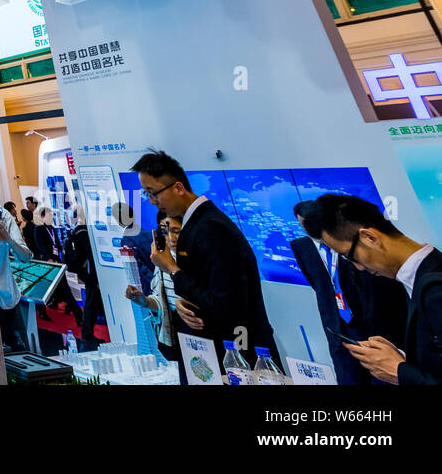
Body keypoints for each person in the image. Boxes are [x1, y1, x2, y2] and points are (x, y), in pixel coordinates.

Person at [132, 150, 279, 380]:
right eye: (147, 194)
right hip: (212, 350)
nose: (152, 201)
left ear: (178, 188)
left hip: (235, 352)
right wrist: (184, 304)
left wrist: (172, 269)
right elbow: (206, 287)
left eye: (154, 193)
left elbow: (227, 304)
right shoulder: (197, 225)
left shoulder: (211, 228)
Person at [302, 194, 442, 385]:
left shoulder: (435, 288)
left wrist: (400, 372)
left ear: (370, 237)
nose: (359, 268)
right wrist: (399, 358)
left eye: (349, 256)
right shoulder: (421, 275)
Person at [291, 200, 406, 385]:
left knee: (380, 377)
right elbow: (318, 283)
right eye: (305, 226)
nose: (311, 230)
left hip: (369, 321)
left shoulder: (348, 243)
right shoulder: (301, 246)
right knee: (348, 377)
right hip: (337, 325)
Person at [0, 170, 31, 351]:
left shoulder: (1, 216)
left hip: (6, 301)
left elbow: (25, 257)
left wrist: (7, 238)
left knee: (21, 359)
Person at [126, 211, 182, 363]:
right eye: (165, 232)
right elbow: (161, 300)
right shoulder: (163, 259)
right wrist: (144, 301)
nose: (171, 238)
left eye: (176, 231)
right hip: (176, 332)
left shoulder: (199, 257)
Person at [64, 206, 102, 352]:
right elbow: (89, 254)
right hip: (90, 273)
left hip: (86, 273)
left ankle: (88, 334)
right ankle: (87, 335)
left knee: (91, 303)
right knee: (91, 304)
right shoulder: (83, 232)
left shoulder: (78, 230)